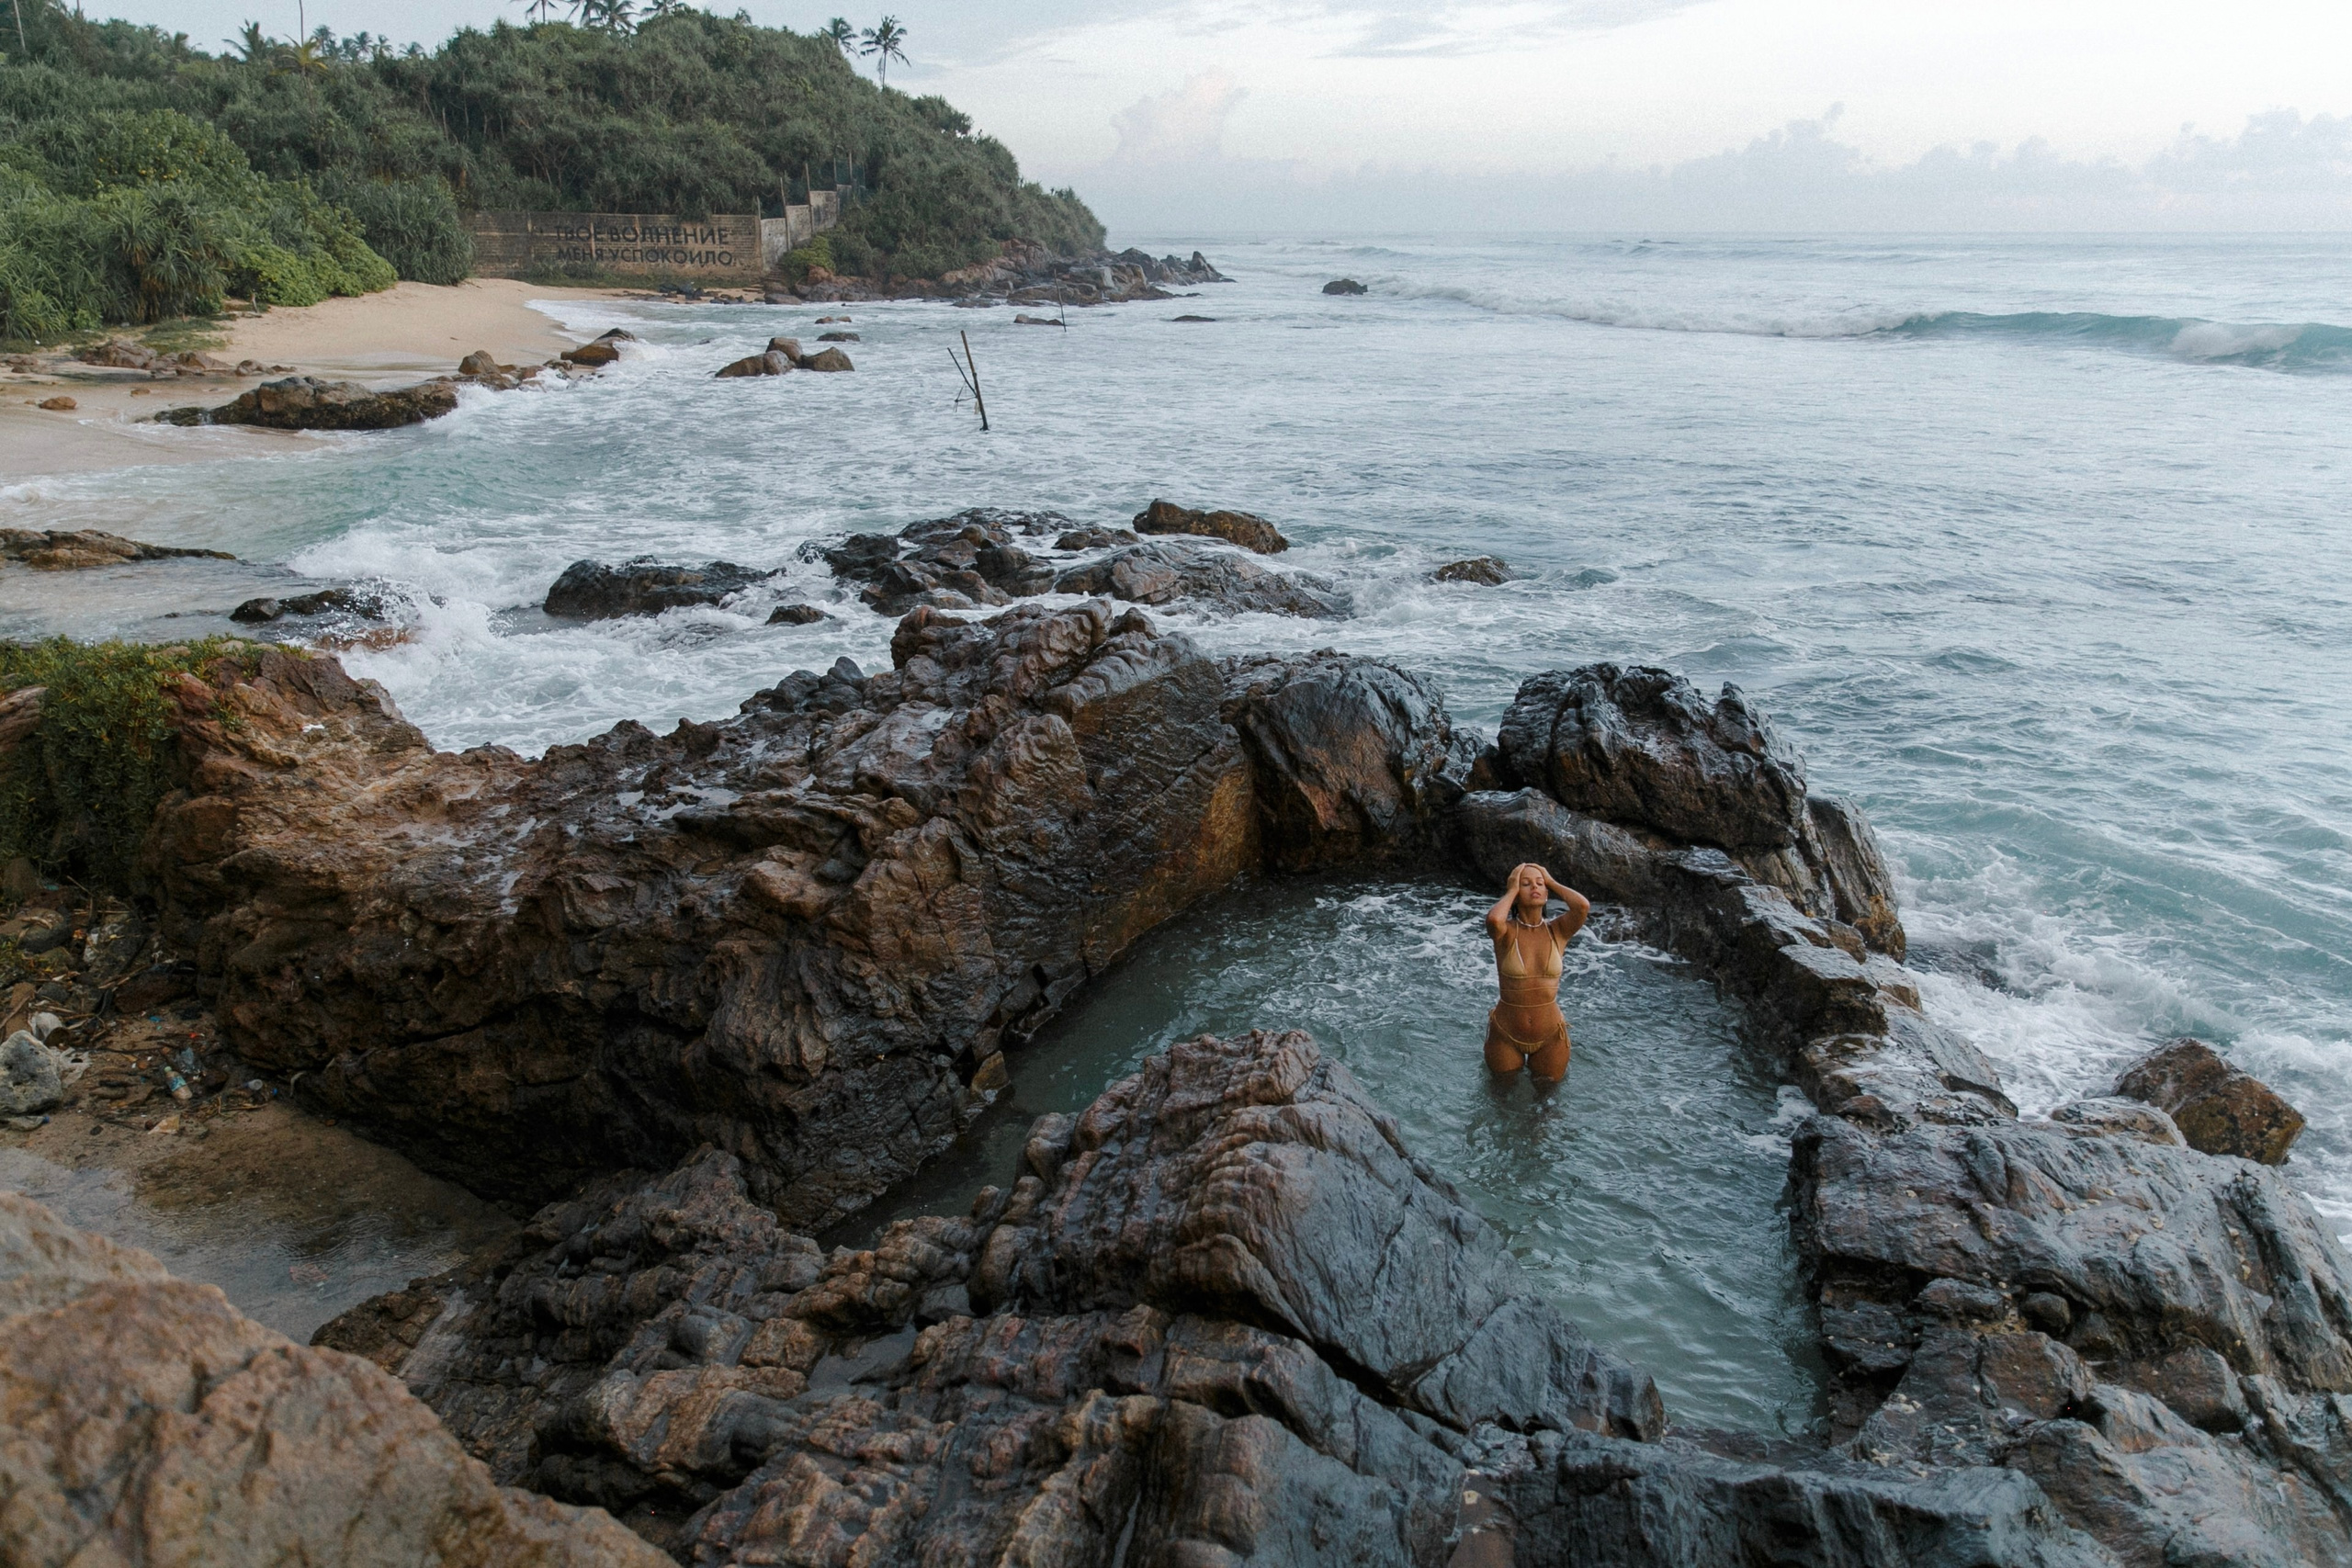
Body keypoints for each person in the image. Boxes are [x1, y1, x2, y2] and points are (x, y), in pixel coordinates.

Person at [1482, 862, 1590, 1081]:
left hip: (1551, 1035)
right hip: (1505, 1033)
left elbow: (1582, 906)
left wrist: (1550, 881)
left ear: (1546, 893)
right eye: (1526, 884)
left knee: (1547, 1098)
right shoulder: (1505, 933)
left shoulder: (1558, 931)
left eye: (1539, 884)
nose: (1535, 887)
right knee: (1500, 1094)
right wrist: (1511, 891)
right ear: (1516, 893)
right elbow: (1494, 919)